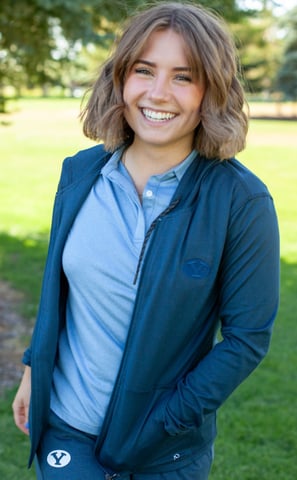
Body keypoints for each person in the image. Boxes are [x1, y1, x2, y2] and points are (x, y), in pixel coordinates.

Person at [12, 2, 280, 479]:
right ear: (121, 78)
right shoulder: (80, 174)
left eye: (184, 76)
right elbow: (59, 289)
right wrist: (34, 368)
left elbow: (247, 338)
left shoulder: (241, 199)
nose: (159, 93)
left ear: (211, 91)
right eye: (144, 70)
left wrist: (166, 423)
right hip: (68, 432)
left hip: (166, 452)